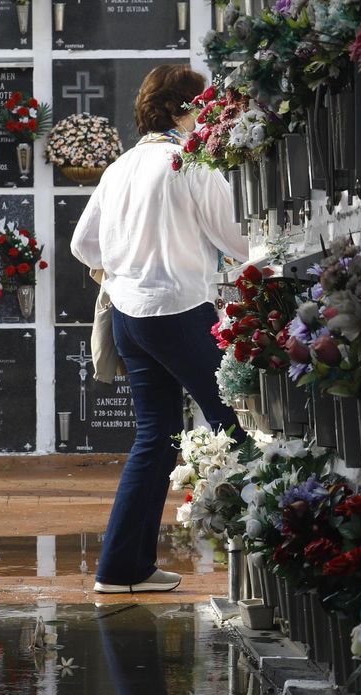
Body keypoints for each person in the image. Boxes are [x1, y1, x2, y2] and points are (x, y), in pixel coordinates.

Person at [71, 64, 250, 595]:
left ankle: (122, 569)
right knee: (236, 424)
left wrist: (127, 267)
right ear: (179, 109)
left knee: (155, 439)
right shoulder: (189, 161)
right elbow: (239, 239)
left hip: (130, 316)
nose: (211, 116)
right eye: (204, 105)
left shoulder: (121, 165)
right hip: (178, 309)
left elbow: (84, 244)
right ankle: (263, 563)